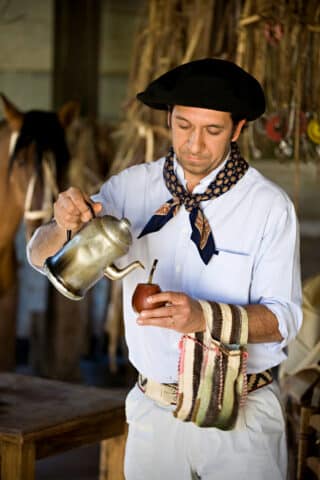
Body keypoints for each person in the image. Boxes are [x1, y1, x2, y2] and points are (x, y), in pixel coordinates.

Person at [27, 58, 302, 480]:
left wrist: (202, 317)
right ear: (169, 119)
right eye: (183, 126)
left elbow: (283, 320)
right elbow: (39, 256)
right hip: (154, 414)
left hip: (241, 419)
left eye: (212, 131)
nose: (194, 144)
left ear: (238, 129)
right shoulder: (131, 188)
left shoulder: (269, 208)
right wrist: (62, 223)